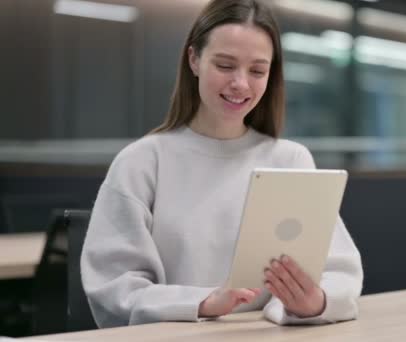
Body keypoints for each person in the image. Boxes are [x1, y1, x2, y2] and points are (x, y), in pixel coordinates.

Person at [81, 0, 363, 328]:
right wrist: (201, 302)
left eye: (257, 70)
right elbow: (113, 287)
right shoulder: (143, 162)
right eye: (226, 65)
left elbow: (338, 270)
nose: (241, 83)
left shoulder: (290, 160)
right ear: (194, 59)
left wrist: (315, 302)